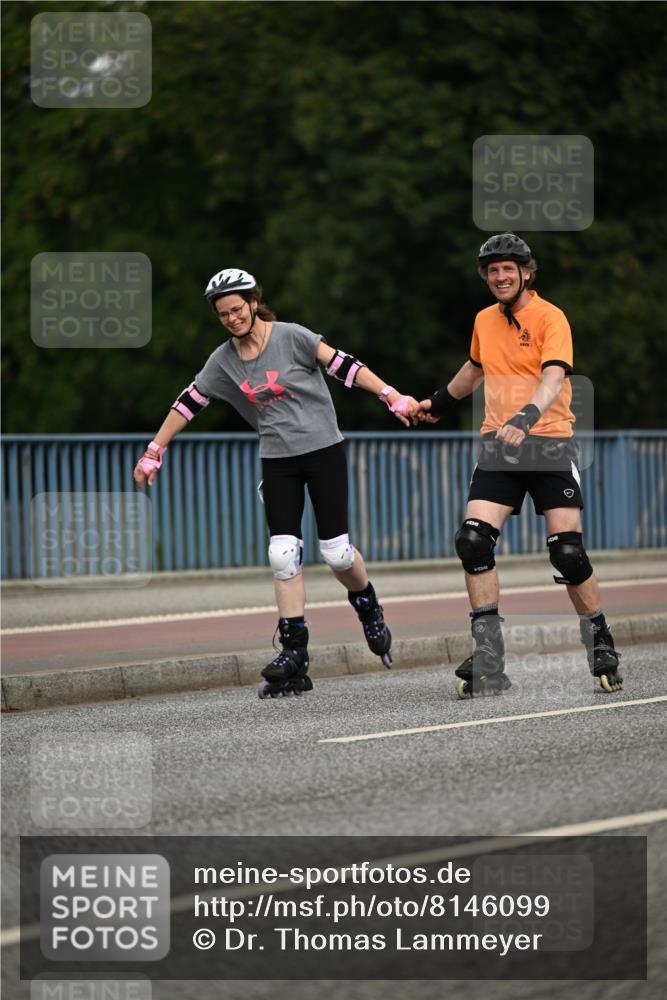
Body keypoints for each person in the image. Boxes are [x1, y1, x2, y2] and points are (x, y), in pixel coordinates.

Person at [133, 267, 420, 698]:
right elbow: (189, 401)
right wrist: (155, 450)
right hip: (278, 458)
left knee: (337, 553)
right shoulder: (223, 360)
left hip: (323, 450)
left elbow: (344, 365)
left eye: (237, 309)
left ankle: (367, 604)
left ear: (253, 302)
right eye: (223, 314)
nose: (231, 319)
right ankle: (294, 653)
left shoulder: (291, 336)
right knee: (282, 554)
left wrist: (391, 396)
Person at [418, 233, 623, 698]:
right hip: (500, 449)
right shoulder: (484, 320)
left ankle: (599, 640)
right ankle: (488, 654)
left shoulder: (552, 317)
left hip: (548, 444)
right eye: (492, 271)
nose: (500, 276)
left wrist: (526, 417)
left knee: (567, 552)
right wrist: (437, 402)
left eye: (509, 269)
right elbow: (474, 369)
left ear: (526, 272)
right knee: (472, 541)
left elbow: (554, 375)